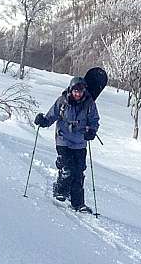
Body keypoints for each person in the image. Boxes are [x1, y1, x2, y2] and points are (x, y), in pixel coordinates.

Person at [33, 76, 100, 212]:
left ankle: (77, 203)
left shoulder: (89, 104)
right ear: (70, 90)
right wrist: (43, 121)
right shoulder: (62, 101)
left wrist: (92, 131)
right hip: (63, 140)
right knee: (68, 168)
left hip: (80, 142)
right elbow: (52, 115)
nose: (77, 94)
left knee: (79, 172)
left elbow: (94, 120)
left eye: (80, 91)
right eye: (75, 91)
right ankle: (60, 190)